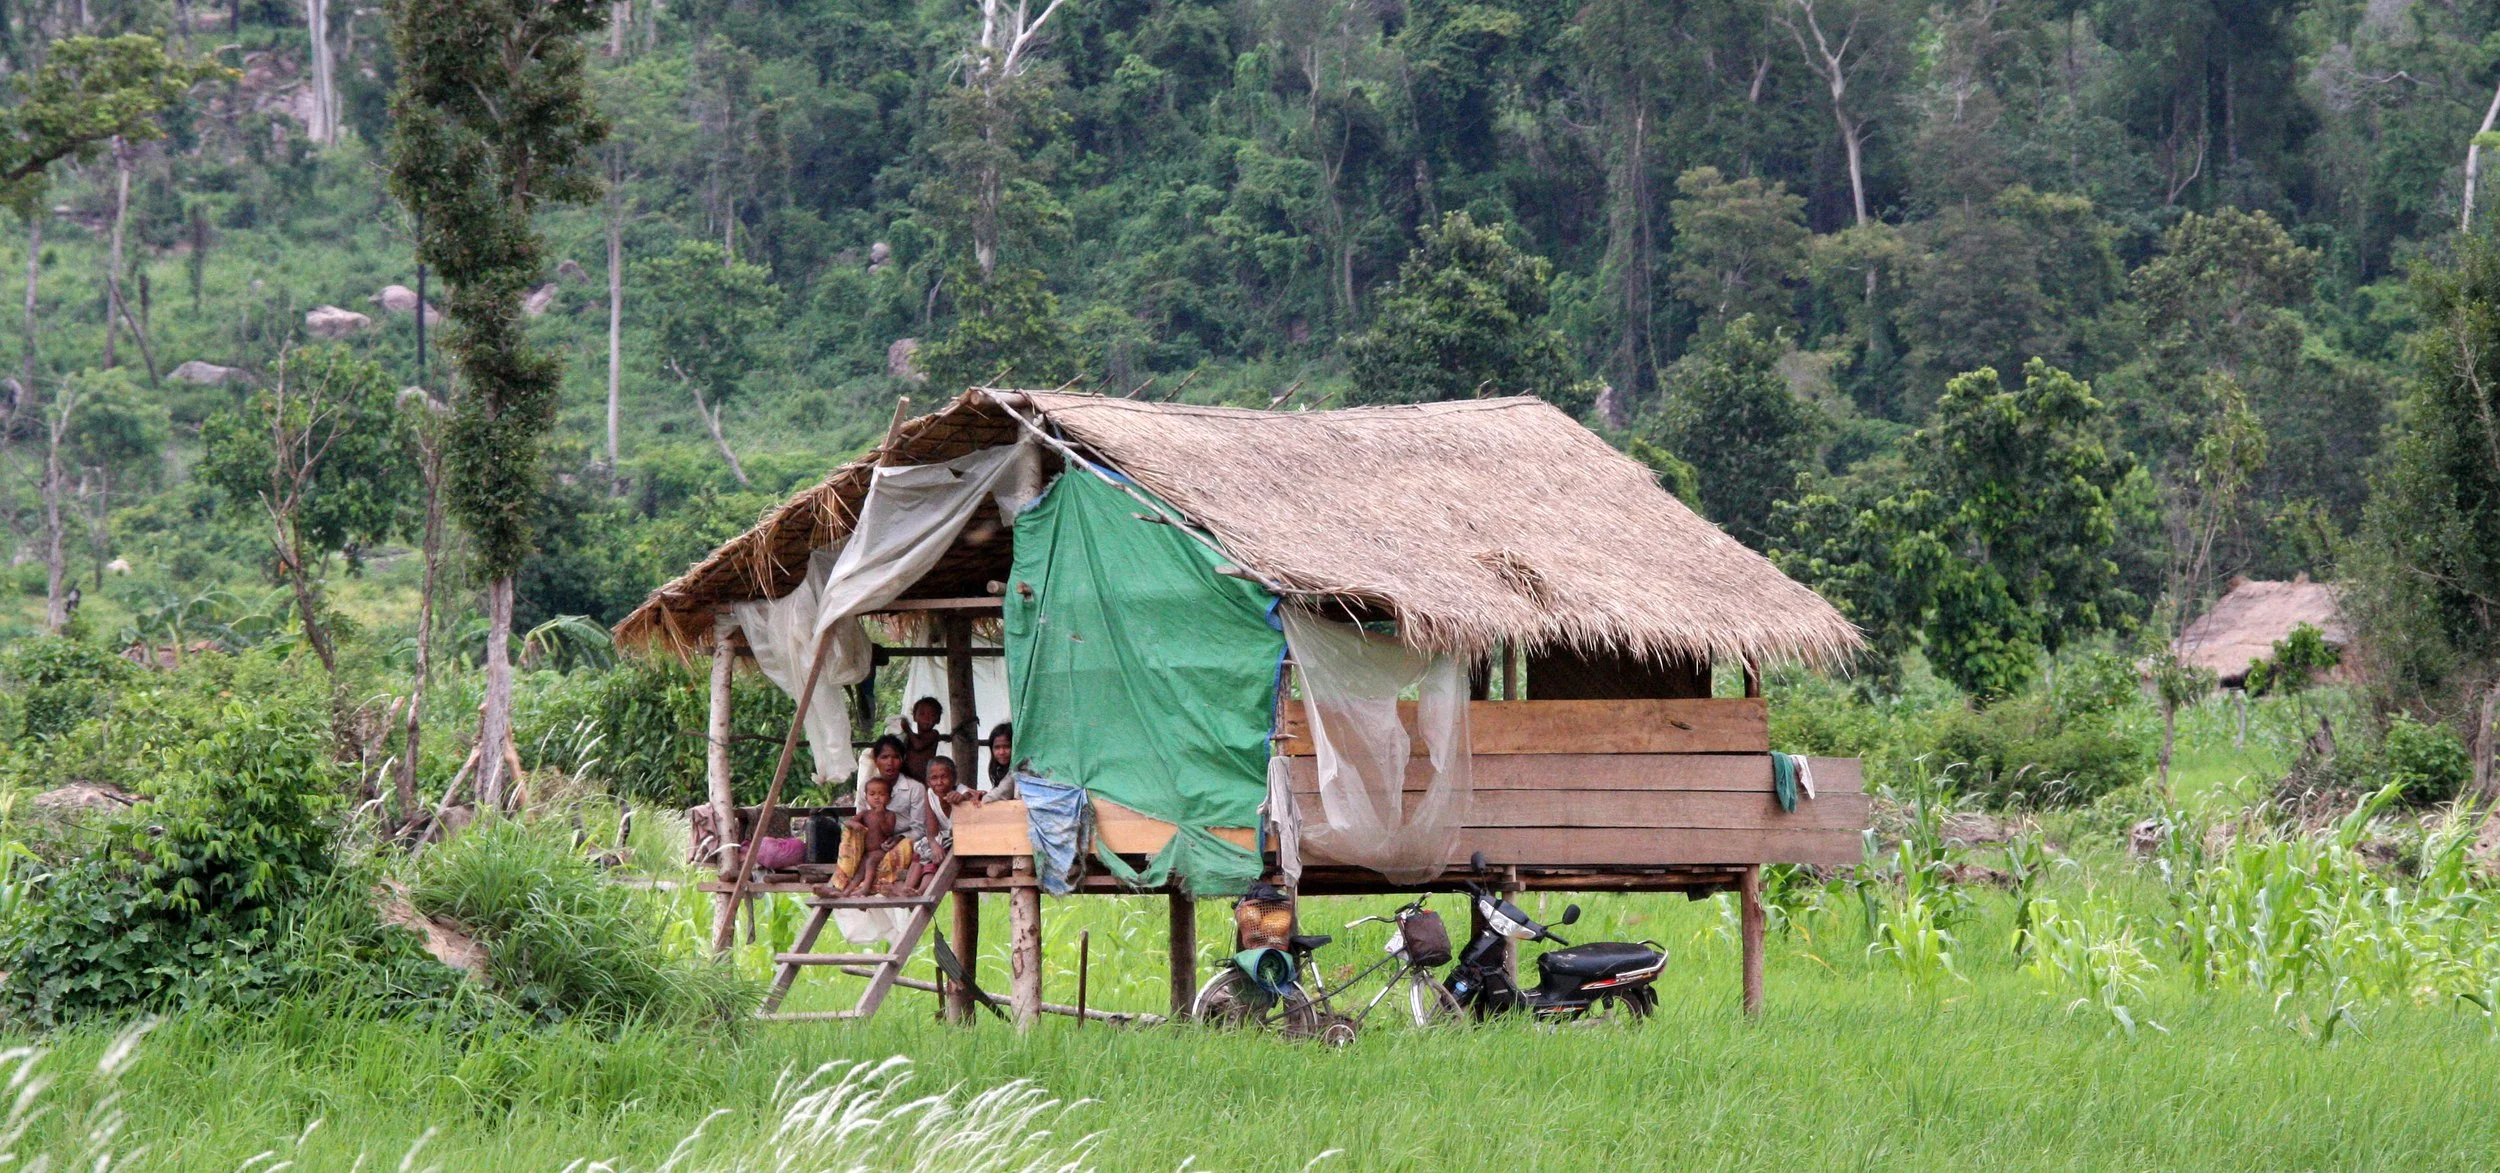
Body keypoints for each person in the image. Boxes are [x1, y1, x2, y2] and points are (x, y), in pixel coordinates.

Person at [827, 775, 917, 897]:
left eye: (881, 794)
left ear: (889, 798)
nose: (877, 797)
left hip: (880, 851)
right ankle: (846, 892)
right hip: (866, 852)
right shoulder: (865, 814)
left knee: (870, 863)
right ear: (866, 797)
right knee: (859, 871)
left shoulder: (889, 815)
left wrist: (881, 818)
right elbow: (847, 822)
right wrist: (854, 824)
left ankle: (865, 888)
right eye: (872, 794)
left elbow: (888, 832)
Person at [902, 696, 945, 781]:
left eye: (932, 715)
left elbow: (918, 745)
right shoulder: (911, 737)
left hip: (923, 778)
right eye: (922, 714)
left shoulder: (933, 734)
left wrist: (907, 729)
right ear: (914, 717)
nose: (926, 718)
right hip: (907, 777)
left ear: (938, 719)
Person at [982, 722, 1017, 801]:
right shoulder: (999, 771)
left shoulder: (1020, 770)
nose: (1001, 752)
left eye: (1007, 746)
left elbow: (1001, 793)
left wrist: (982, 798)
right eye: (997, 747)